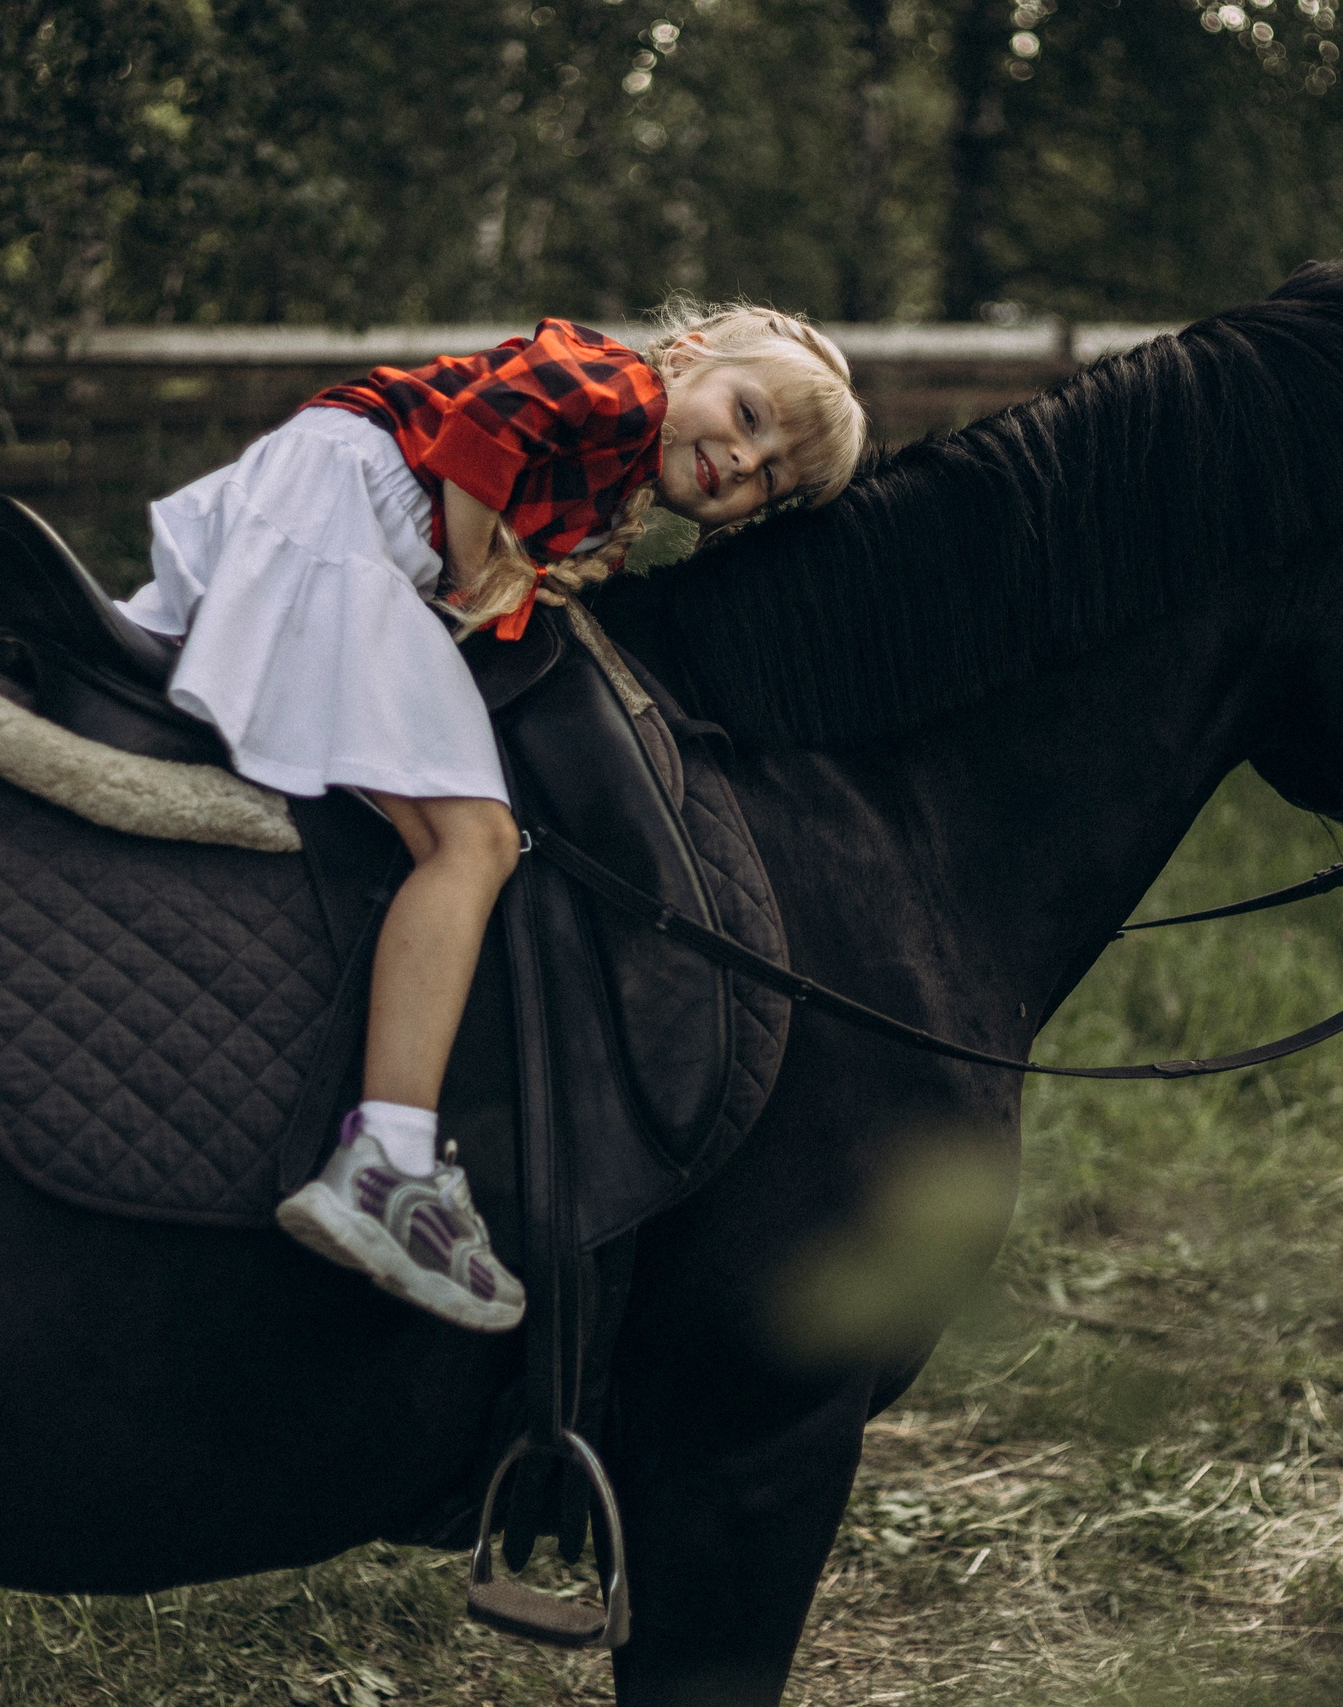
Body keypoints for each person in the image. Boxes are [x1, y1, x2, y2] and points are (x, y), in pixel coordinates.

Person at [114, 303, 868, 1332]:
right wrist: (472, 576)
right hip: (351, 515)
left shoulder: (619, 469)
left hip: (351, 507)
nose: (742, 459)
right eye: (746, 414)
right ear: (687, 355)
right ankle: (387, 1159)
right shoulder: (617, 384)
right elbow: (483, 430)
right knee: (470, 841)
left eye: (772, 474)